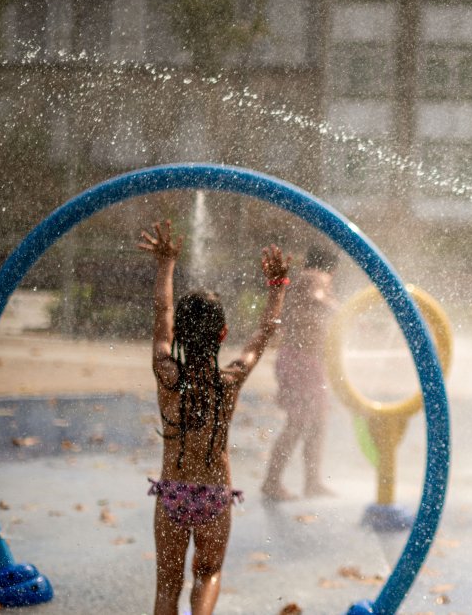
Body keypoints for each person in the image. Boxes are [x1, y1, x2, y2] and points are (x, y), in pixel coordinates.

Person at [139, 219, 289, 615]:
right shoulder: (231, 379)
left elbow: (162, 311)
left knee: (167, 586)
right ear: (222, 334)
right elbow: (265, 333)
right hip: (214, 495)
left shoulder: (165, 373)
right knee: (208, 575)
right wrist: (277, 289)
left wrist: (166, 264)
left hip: (173, 492)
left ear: (179, 337)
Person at [261, 244, 340, 500]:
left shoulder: (302, 280)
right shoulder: (315, 277)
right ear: (332, 268)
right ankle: (272, 483)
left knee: (318, 422)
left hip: (304, 362)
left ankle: (312, 481)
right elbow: (317, 297)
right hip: (300, 362)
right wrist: (343, 312)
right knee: (298, 423)